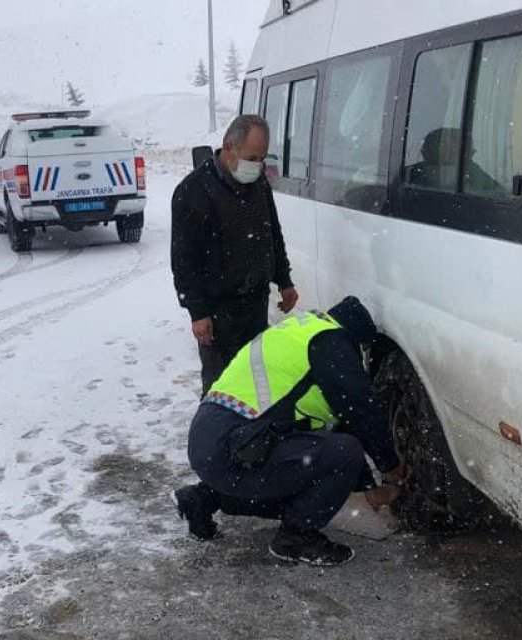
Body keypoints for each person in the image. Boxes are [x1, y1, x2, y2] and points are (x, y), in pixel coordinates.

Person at [172, 296, 407, 566]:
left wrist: (368, 485)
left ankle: (203, 498)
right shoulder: (331, 343)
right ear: (354, 338)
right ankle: (295, 539)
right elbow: (360, 409)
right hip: (235, 447)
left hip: (212, 443)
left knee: (306, 465)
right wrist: (389, 466)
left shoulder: (300, 331)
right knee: (343, 456)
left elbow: (338, 421)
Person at [171, 114, 299, 395]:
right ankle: (216, 438)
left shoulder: (258, 184)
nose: (257, 166)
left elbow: (271, 234)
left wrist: (285, 280)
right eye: (252, 157)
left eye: (262, 158)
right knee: (222, 390)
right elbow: (184, 262)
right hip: (218, 316)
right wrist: (198, 313)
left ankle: (253, 438)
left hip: (254, 304)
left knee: (257, 385)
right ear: (229, 148)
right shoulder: (193, 192)